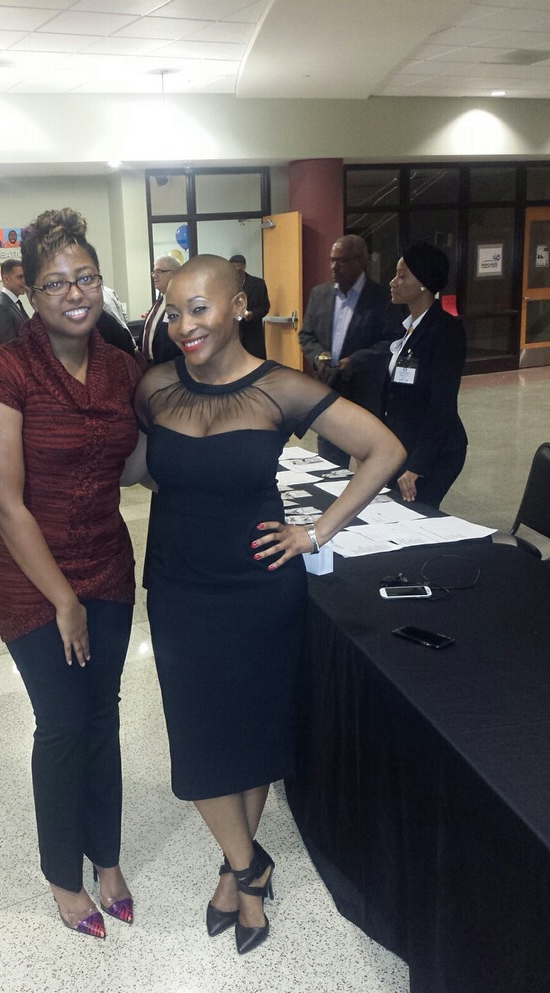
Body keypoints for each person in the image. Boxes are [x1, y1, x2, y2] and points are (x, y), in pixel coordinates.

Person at [133, 255, 404, 956]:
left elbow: (383, 450)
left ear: (240, 307)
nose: (185, 325)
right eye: (174, 311)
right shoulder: (156, 385)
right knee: (198, 743)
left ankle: (236, 874)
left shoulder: (281, 387)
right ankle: (252, 863)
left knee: (250, 737)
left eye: (200, 308)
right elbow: (137, 467)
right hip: (179, 587)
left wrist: (316, 531)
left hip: (259, 588)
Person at [0, 207, 140, 941]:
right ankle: (63, 876)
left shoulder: (122, 366)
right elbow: (6, 504)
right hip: (33, 577)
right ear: (31, 294)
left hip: (107, 562)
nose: (74, 293)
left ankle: (108, 858)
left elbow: (134, 463)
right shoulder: (5, 371)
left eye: (86, 277)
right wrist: (64, 601)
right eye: (55, 283)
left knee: (103, 717)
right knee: (64, 724)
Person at [299, 234, 402, 468]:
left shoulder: (381, 298)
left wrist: (355, 361)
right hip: (329, 389)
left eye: (342, 261)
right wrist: (319, 356)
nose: (334, 267)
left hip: (364, 391)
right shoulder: (320, 294)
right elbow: (307, 335)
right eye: (332, 260)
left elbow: (392, 340)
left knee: (368, 461)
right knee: (329, 463)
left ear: (361, 261)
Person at [382, 241, 467, 508]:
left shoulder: (445, 331)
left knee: (414, 515)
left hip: (434, 452)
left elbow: (442, 404)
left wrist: (417, 466)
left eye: (402, 275)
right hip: (403, 447)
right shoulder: (407, 328)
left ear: (423, 283)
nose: (393, 282)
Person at [228, 254, 270, 359]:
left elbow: (265, 306)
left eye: (239, 268)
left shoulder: (258, 284)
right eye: (233, 268)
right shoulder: (225, 285)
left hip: (253, 334)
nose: (236, 271)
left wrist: (253, 314)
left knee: (256, 364)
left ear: (244, 267)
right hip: (233, 334)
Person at [141, 254, 181, 363]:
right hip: (149, 365)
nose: (154, 276)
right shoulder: (160, 301)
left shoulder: (181, 303)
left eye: (159, 271)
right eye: (153, 272)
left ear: (175, 274)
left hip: (169, 367)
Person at [0, 258, 29, 345]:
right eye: (20, 277)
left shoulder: (14, 303)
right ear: (6, 279)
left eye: (25, 277)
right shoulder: (0, 308)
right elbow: (7, 347)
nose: (24, 281)